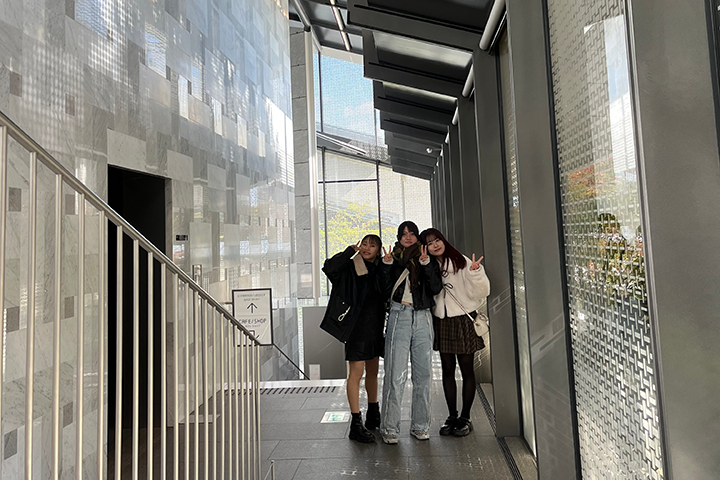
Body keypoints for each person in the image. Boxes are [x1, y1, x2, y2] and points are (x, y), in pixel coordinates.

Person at [420, 228, 490, 437]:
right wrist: (425, 265)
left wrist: (476, 273)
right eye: (429, 243)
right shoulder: (429, 265)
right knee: (447, 370)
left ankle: (465, 418)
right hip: (442, 321)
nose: (435, 245)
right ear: (425, 248)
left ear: (443, 240)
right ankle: (452, 416)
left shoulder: (461, 261)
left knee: (467, 370)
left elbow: (482, 291)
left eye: (437, 240)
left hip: (463, 319)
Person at [379, 221, 442, 445]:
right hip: (399, 315)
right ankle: (389, 427)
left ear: (417, 237)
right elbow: (383, 290)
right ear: (398, 237)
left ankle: (420, 425)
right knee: (395, 374)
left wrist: (426, 264)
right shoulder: (393, 258)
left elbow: (436, 288)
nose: (408, 237)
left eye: (412, 233)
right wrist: (386, 266)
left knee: (423, 375)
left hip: (423, 316)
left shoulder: (427, 258)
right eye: (404, 234)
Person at [319, 234, 386, 443]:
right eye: (364, 244)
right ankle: (356, 423)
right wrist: (349, 251)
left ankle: (373, 413)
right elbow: (329, 268)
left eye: (372, 245)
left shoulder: (380, 268)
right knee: (356, 374)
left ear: (378, 250)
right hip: (356, 328)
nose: (367, 248)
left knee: (373, 372)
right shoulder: (349, 267)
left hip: (375, 327)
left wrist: (388, 264)